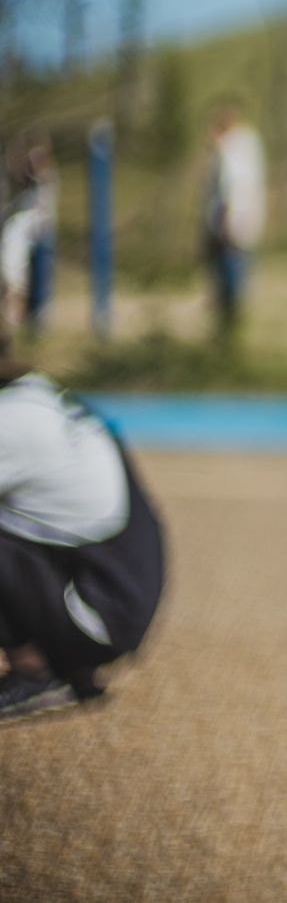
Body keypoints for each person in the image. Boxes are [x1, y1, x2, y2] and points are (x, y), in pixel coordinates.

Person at [0, 354, 166, 724]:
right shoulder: (34, 395)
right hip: (109, 596)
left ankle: (36, 673)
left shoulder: (11, 422)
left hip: (97, 617)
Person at [202, 101, 265, 340]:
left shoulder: (230, 150)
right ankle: (231, 331)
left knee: (228, 285)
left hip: (229, 229)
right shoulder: (249, 146)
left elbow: (230, 188)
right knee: (237, 281)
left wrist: (225, 226)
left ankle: (227, 333)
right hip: (244, 225)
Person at [1, 128, 57, 341]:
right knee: (15, 283)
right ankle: (14, 325)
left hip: (35, 235)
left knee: (28, 283)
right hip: (20, 236)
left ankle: (30, 323)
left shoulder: (44, 178)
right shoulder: (18, 185)